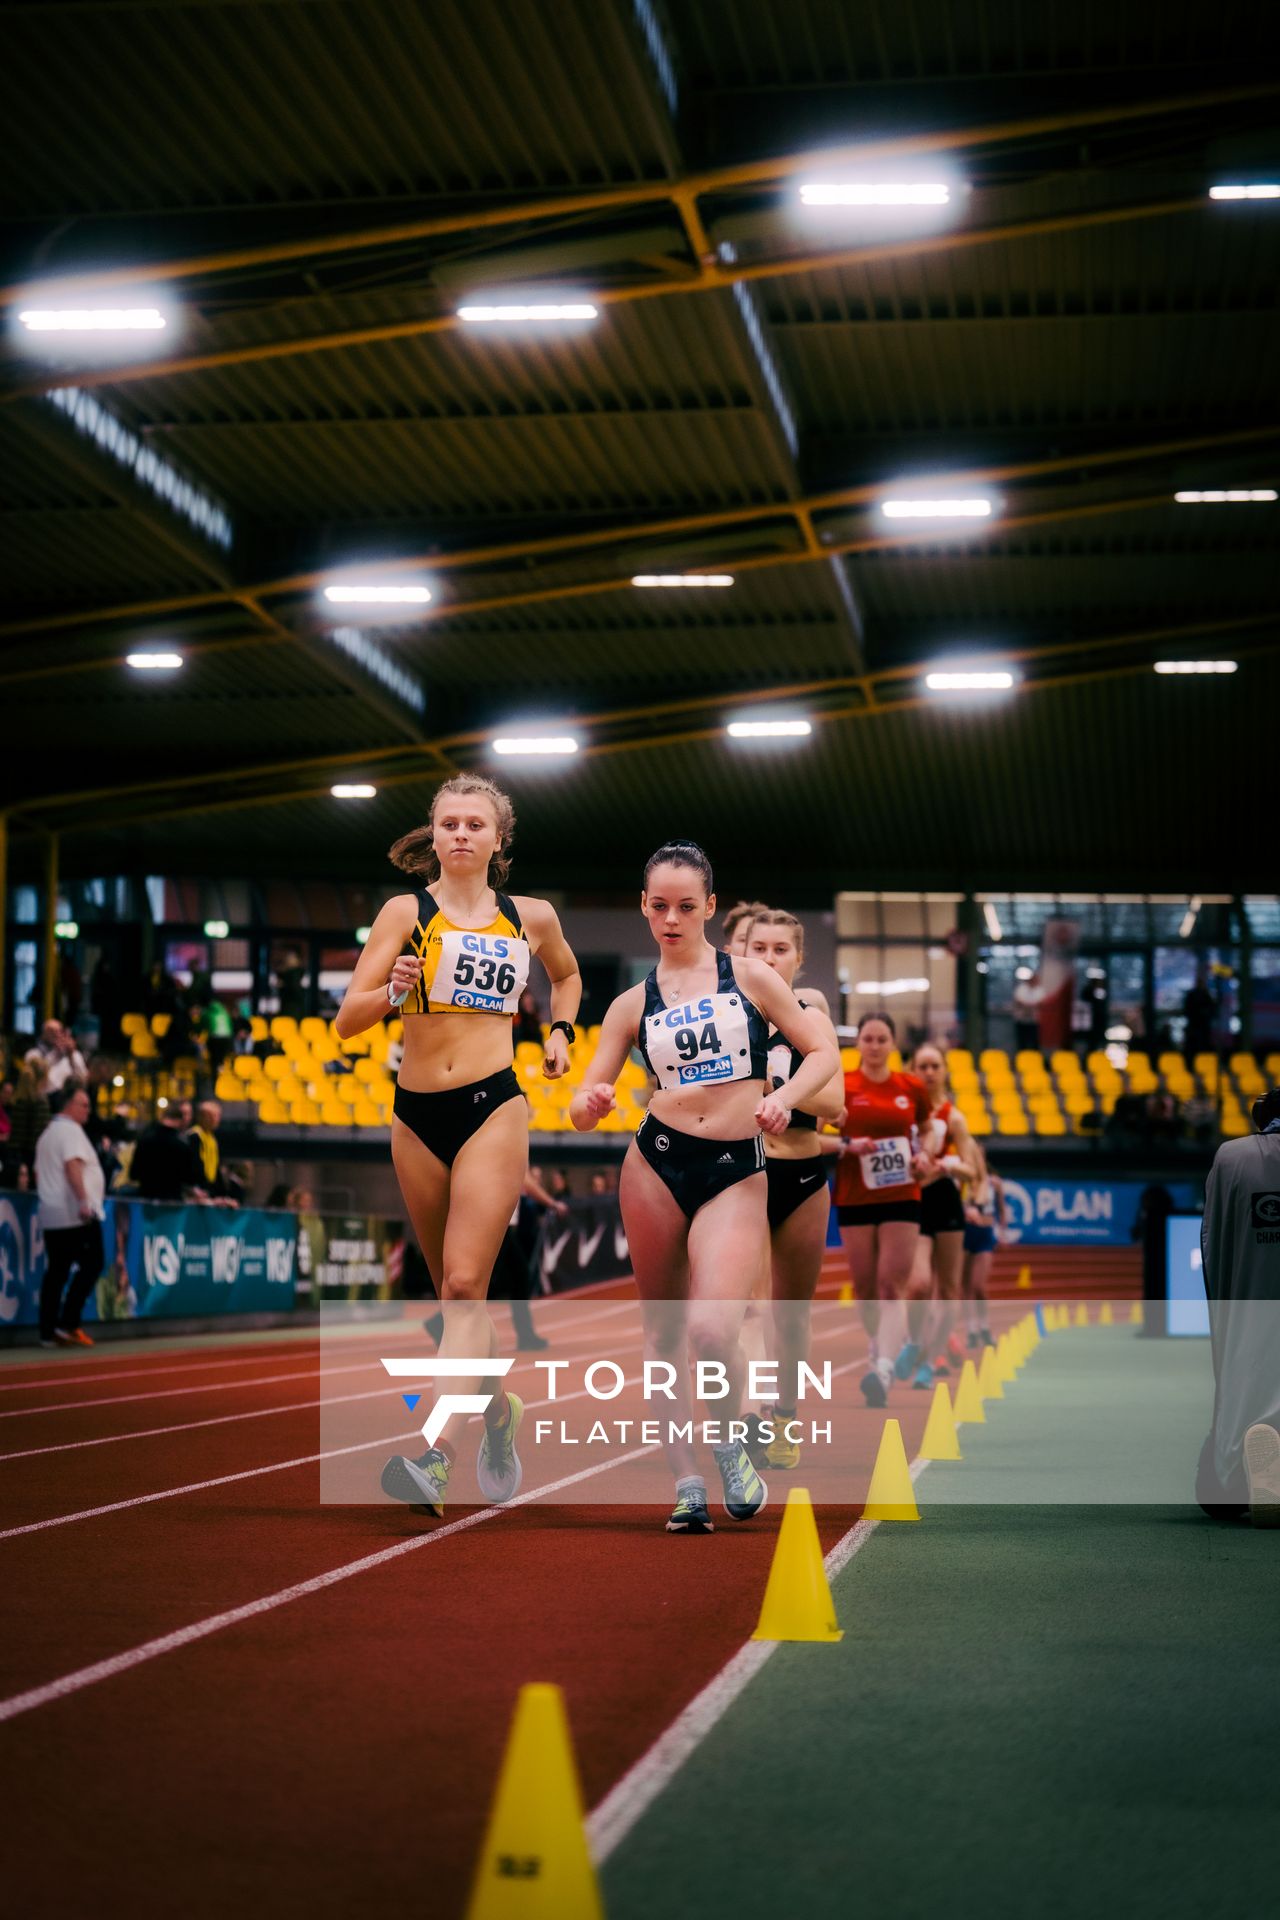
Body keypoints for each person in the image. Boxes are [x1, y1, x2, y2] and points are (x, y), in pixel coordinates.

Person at [570, 841, 838, 1534]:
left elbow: (820, 1052)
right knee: (662, 1335)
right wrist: (591, 1101)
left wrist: (787, 1098)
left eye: (686, 906)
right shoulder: (633, 1002)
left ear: (711, 908)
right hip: (655, 1161)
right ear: (643, 906)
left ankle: (726, 1443)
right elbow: (579, 1099)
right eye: (658, 905)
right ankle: (687, 1480)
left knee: (714, 1330)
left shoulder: (751, 978)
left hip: (735, 1168)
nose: (671, 918)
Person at [337, 774, 582, 1518]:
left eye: (477, 824)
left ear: (497, 839)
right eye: (450, 823)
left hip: (493, 1104)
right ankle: (499, 1412)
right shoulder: (402, 911)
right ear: (434, 835)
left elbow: (566, 976)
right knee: (450, 1296)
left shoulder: (529, 915)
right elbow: (348, 1020)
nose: (462, 834)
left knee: (468, 1284)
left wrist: (562, 1033)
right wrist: (392, 991)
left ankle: (436, 1456)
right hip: (415, 1112)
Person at [742, 908, 845, 1472]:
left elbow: (835, 1105)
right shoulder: (730, 1016)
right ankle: (750, 1414)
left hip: (804, 1176)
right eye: (760, 947)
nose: (770, 958)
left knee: (792, 1312)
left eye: (781, 949)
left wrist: (777, 1089)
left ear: (798, 958)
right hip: (748, 1173)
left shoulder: (812, 1020)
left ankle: (785, 1415)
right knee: (752, 1308)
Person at [837, 1011, 935, 1407]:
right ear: (858, 1043)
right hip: (855, 1193)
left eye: (882, 1039)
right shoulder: (842, 1085)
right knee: (863, 1287)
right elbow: (824, 1124)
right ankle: (879, 1343)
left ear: (893, 1044)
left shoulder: (910, 1086)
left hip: (901, 1194)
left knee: (890, 1284)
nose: (875, 1046)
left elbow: (926, 1128)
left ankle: (884, 1367)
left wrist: (923, 1154)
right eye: (868, 1039)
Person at [1196, 1086, 1280, 1525]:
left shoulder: (1232, 1158)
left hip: (1250, 1323)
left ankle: (1246, 1464)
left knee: (1217, 1499)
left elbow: (1213, 1244)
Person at [907, 1042, 981, 1389]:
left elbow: (971, 1171)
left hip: (946, 1200)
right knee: (919, 1283)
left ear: (945, 1071)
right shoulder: (905, 1110)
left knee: (949, 1289)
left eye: (935, 1066)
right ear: (912, 1070)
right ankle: (918, 1345)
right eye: (923, 1066)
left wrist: (947, 1165)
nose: (929, 1072)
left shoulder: (954, 1117)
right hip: (915, 1201)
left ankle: (932, 1359)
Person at [34, 1084, 105, 1349]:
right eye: (83, 1105)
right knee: (93, 1262)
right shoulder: (71, 1132)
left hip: (52, 1212)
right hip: (75, 1213)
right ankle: (68, 1323)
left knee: (57, 1271)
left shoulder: (47, 1135)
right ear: (69, 1106)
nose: (88, 1110)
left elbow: (39, 1173)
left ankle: (47, 1330)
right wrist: (84, 1201)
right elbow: (72, 1165)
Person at [961, 1145, 1007, 1349]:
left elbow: (1002, 1210)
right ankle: (971, 1330)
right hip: (964, 1233)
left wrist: (1002, 1233)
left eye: (979, 1154)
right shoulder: (963, 1180)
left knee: (979, 1286)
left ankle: (984, 1327)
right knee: (965, 1286)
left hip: (985, 1235)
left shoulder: (993, 1182)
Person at [130, 1102, 205, 1203]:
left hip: (147, 1201)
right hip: (173, 1202)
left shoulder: (144, 1140)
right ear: (179, 1120)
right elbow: (190, 1177)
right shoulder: (182, 1145)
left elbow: (134, 1174)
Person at [8, 1056, 52, 1179]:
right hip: (33, 1160)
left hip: (14, 1157)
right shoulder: (41, 1101)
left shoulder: (18, 1099)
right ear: (44, 1077)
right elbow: (39, 1135)